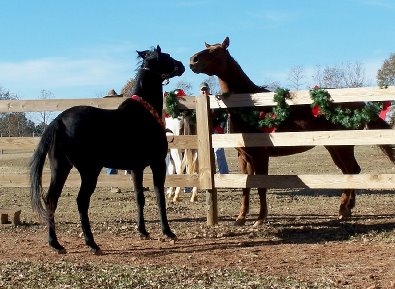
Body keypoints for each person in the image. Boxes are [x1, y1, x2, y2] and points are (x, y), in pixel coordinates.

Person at [200, 82, 229, 174]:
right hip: (204, 131)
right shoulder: (198, 102)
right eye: (202, 90)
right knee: (205, 154)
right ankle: (209, 173)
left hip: (216, 130)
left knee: (219, 152)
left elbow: (224, 115)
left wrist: (220, 127)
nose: (204, 92)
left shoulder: (215, 100)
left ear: (209, 90)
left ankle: (224, 173)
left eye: (205, 89)